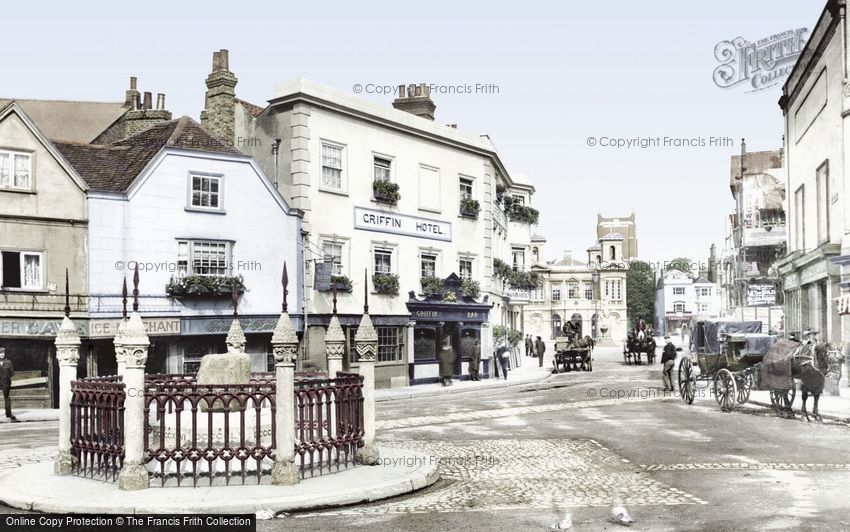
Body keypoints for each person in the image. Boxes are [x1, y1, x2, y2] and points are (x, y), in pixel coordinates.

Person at [0, 348, 16, 422]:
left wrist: (6, 377)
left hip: (5, 382)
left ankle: (8, 413)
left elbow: (12, 373)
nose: (2, 354)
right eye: (0, 353)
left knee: (7, 397)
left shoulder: (8, 362)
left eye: (3, 353)